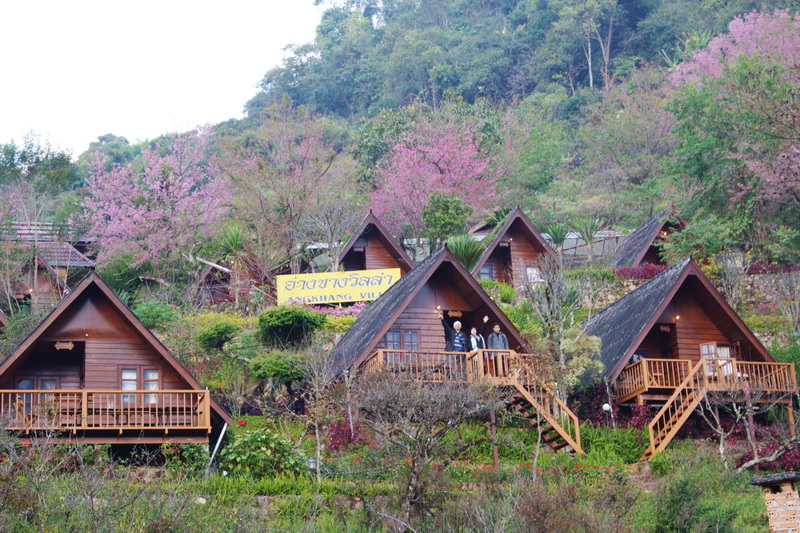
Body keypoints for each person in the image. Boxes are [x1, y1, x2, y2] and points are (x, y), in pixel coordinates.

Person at [439, 310, 468, 377]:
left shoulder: (463, 334)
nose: (457, 326)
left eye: (459, 325)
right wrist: (442, 319)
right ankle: (456, 376)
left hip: (462, 351)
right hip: (454, 351)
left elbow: (466, 343)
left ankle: (464, 376)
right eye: (456, 325)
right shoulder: (452, 332)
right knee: (454, 365)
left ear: (460, 326)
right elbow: (446, 327)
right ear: (454, 327)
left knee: (463, 365)